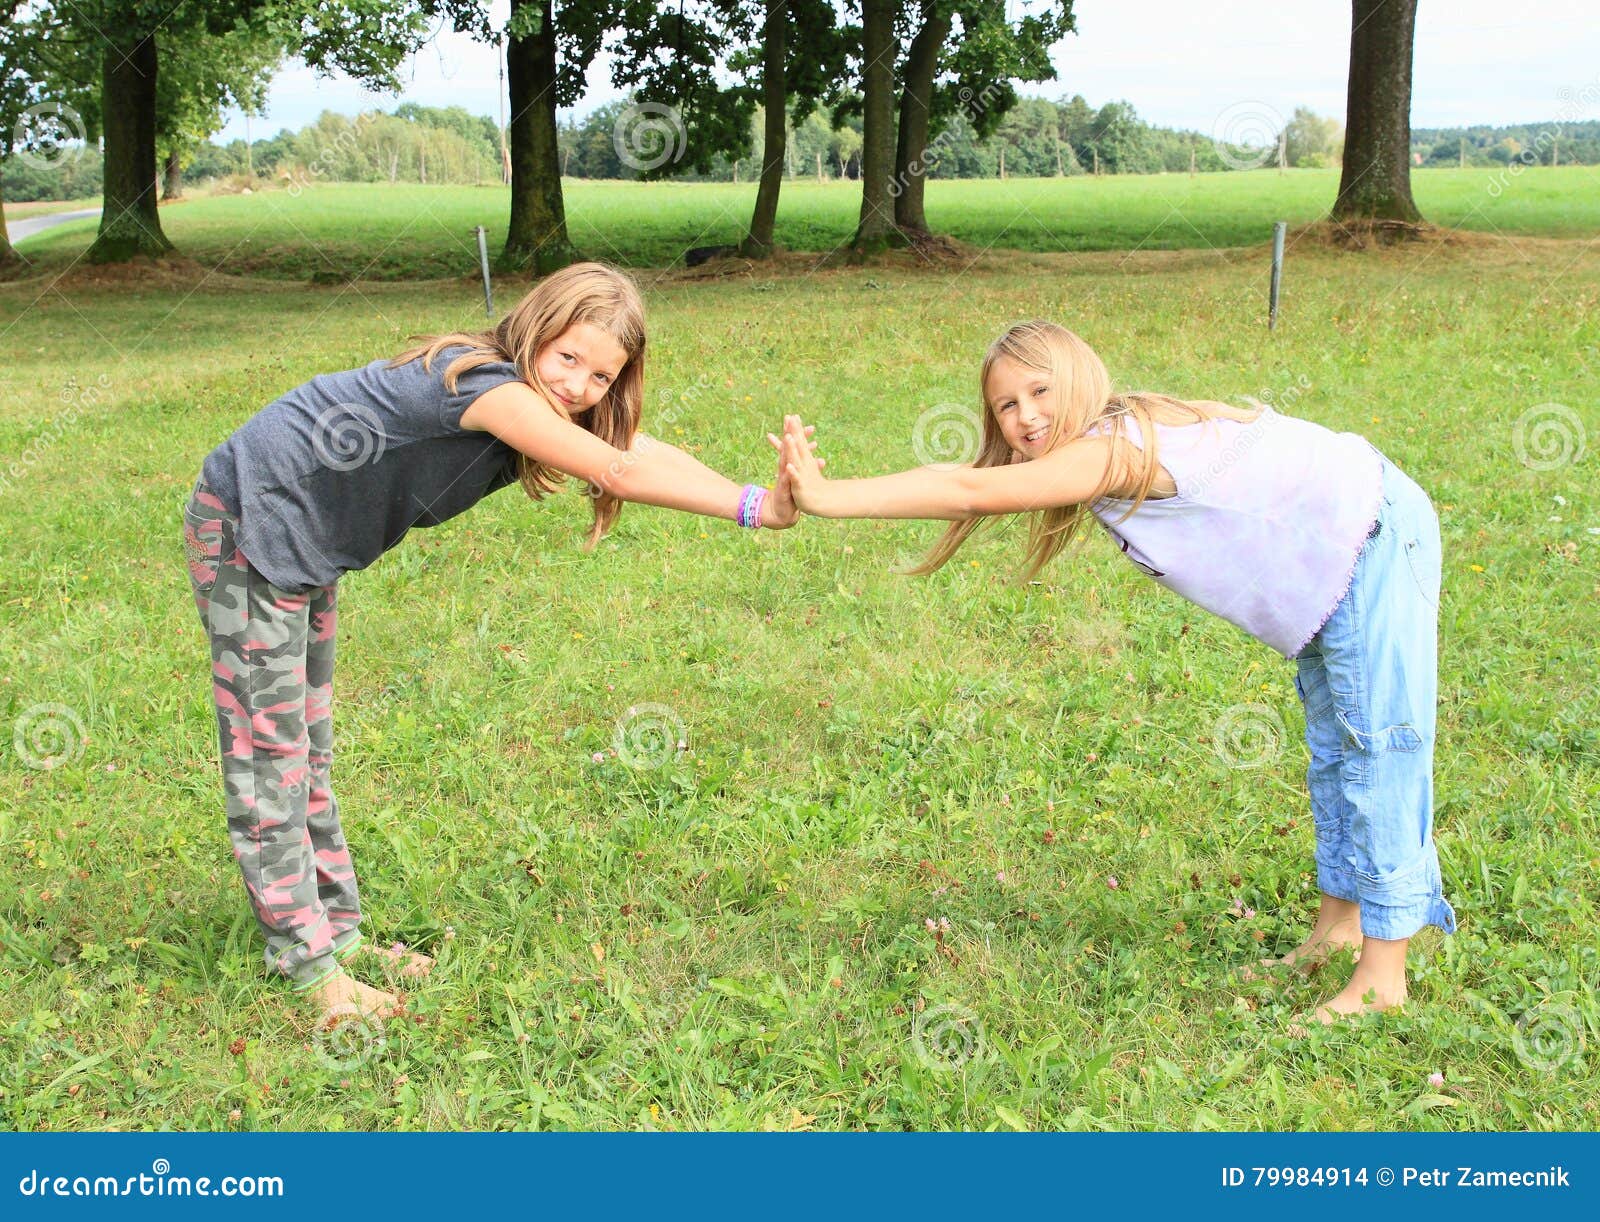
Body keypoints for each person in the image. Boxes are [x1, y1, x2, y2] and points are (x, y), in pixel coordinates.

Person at [183, 262, 813, 1028]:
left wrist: (761, 497)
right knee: (268, 756)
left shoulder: (540, 399)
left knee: (307, 749)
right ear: (534, 329)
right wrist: (753, 513)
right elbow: (615, 468)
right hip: (254, 521)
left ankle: (337, 939)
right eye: (568, 357)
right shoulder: (498, 392)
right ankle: (308, 965)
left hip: (304, 541)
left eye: (602, 375)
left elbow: (636, 447)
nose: (580, 385)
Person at [778, 319, 1454, 1025]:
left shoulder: (1108, 453)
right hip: (1337, 557)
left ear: (1080, 380)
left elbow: (969, 491)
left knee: (1378, 750)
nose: (1025, 416)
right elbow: (976, 479)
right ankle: (1338, 928)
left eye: (1040, 391)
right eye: (1006, 405)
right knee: (1336, 751)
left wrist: (830, 496)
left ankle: (1383, 977)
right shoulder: (1113, 436)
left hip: (1371, 534)